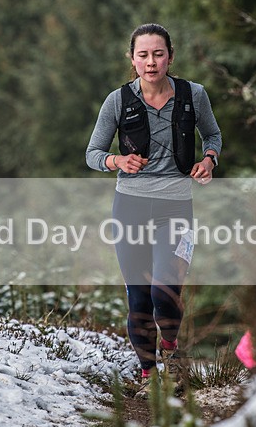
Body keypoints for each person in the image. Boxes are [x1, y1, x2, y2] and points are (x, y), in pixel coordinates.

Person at [86, 23, 222, 392]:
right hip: (129, 208)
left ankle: (171, 353)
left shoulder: (194, 95)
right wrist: (117, 162)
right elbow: (93, 153)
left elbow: (212, 135)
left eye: (158, 54)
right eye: (143, 54)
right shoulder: (117, 101)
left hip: (176, 209)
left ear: (170, 57)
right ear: (132, 59)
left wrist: (209, 160)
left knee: (166, 289)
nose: (151, 62)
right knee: (139, 299)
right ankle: (148, 376)